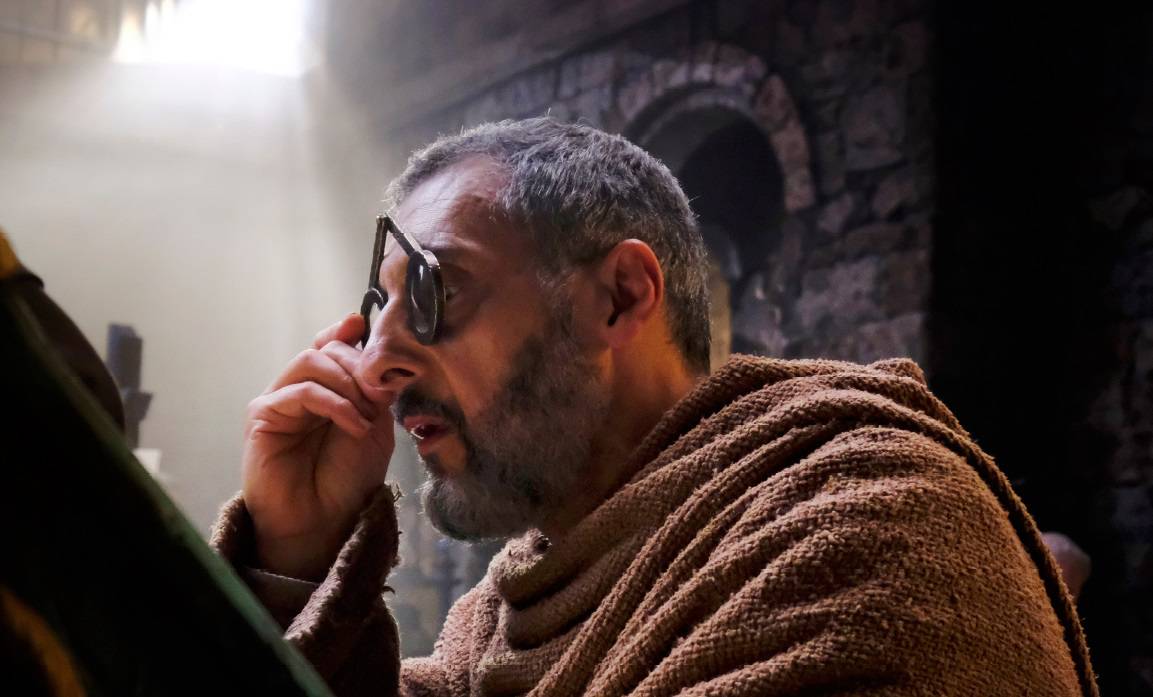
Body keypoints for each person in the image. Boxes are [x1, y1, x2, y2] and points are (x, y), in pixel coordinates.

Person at [211, 118, 1097, 696]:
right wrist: (296, 553)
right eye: (377, 311)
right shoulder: (510, 606)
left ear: (620, 296)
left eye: (437, 291)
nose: (377, 360)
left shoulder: (865, 519)